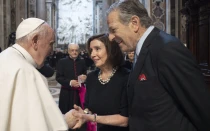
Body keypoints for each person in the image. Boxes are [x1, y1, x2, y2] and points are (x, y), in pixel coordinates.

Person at [106, 1, 210, 131]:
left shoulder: (166, 49)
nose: (110, 37)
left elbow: (200, 108)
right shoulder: (143, 49)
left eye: (113, 30)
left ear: (134, 23)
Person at [0, 18, 68, 131]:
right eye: (50, 44)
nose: (51, 51)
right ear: (35, 41)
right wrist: (64, 121)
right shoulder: (26, 72)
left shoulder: (4, 57)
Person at [66, 34, 129, 131]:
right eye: (91, 50)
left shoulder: (126, 77)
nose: (92, 55)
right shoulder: (91, 77)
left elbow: (125, 120)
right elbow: (88, 108)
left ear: (111, 50)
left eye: (97, 49)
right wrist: (83, 114)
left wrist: (92, 118)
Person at [56, 43, 87, 114]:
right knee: (66, 114)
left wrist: (84, 78)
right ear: (68, 51)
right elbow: (58, 77)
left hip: (79, 92)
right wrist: (70, 82)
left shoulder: (82, 61)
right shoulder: (62, 62)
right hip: (67, 92)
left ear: (79, 51)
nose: (74, 52)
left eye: (76, 50)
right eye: (72, 50)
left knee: (79, 113)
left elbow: (85, 74)